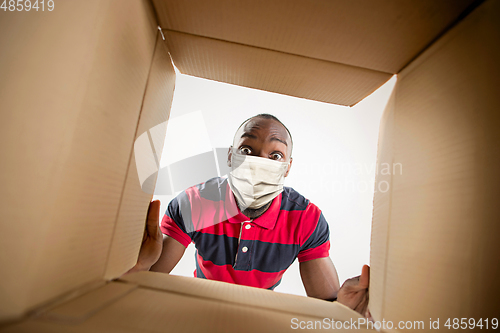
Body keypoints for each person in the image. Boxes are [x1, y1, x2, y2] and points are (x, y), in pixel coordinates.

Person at [129, 114, 370, 317]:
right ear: (230, 157)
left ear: (288, 167)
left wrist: (344, 310)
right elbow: (146, 284)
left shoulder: (306, 219)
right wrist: (140, 264)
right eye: (247, 149)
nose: (257, 162)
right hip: (200, 309)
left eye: (275, 156)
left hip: (260, 317)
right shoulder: (196, 203)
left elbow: (325, 307)